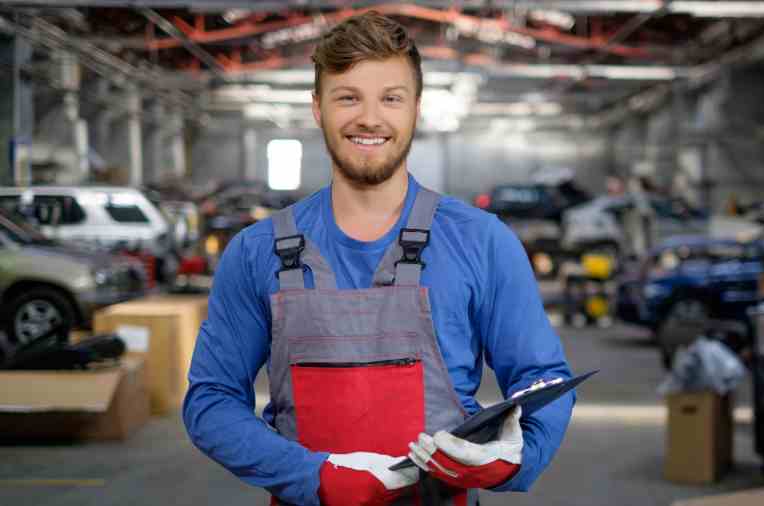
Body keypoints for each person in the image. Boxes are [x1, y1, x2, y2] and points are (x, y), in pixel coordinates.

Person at [183, 11, 575, 506]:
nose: (370, 118)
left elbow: (544, 377)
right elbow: (211, 401)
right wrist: (314, 475)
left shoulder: (482, 242)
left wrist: (516, 456)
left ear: (416, 109)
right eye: (348, 97)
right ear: (317, 109)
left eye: (391, 98)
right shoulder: (255, 252)